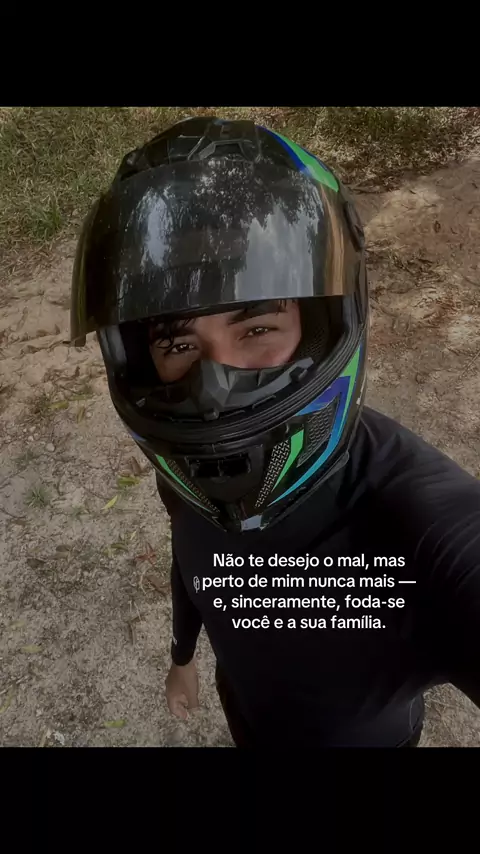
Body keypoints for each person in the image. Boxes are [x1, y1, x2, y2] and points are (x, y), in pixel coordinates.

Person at [71, 116, 480, 748]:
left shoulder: (419, 523)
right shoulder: (193, 472)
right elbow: (195, 559)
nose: (212, 390)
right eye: (178, 343)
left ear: (322, 329)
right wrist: (183, 656)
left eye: (257, 328)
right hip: (247, 717)